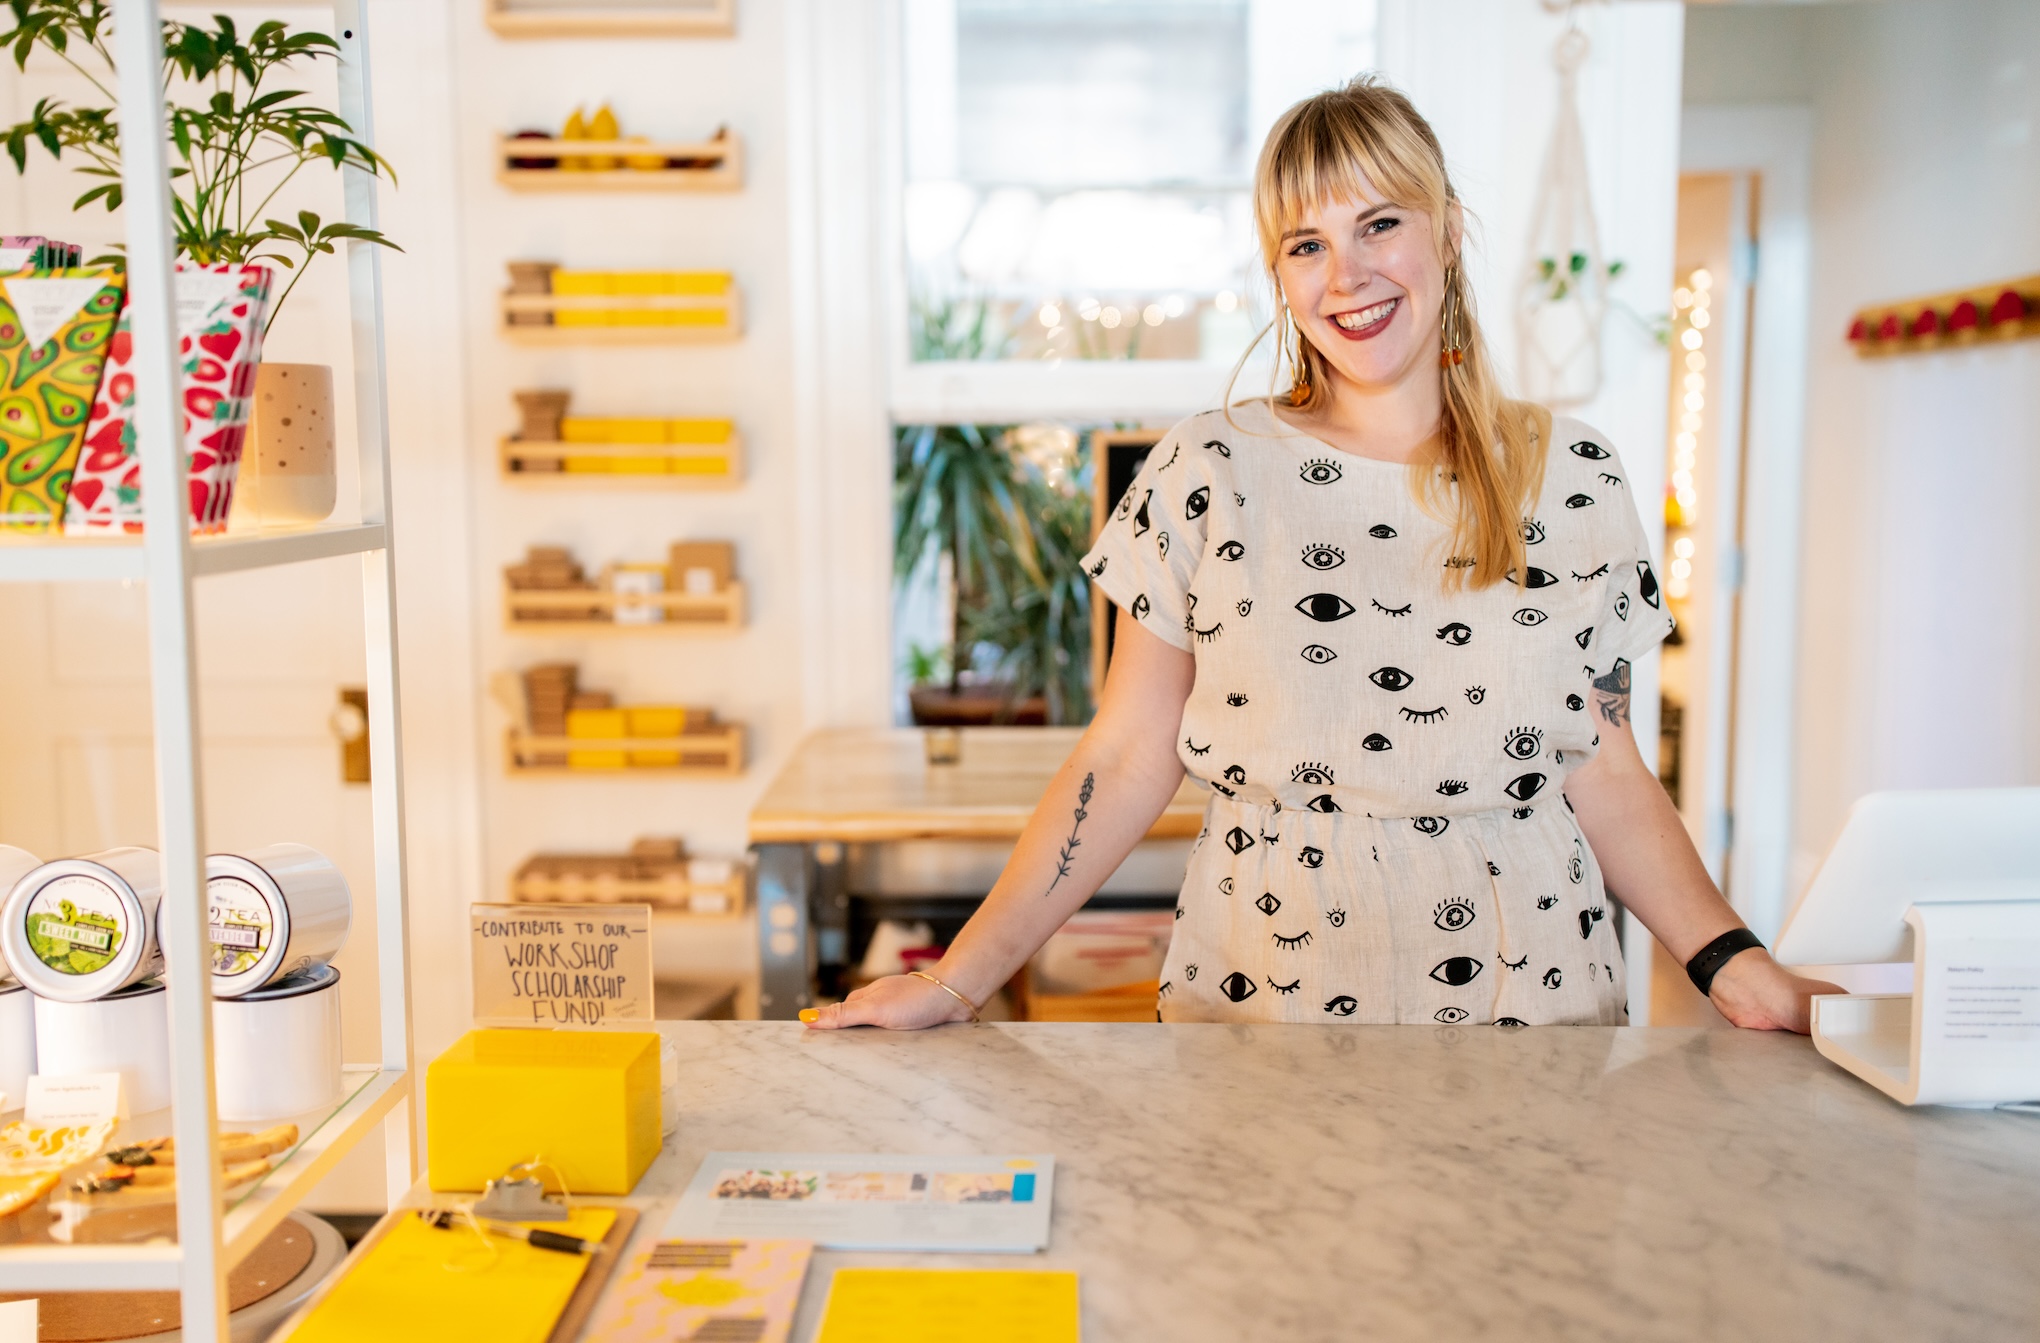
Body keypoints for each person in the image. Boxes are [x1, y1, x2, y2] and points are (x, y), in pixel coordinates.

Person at [810, 76, 1840, 1032]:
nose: (1346, 275)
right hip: (1263, 1002)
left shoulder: (1572, 474)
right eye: (1305, 244)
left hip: (1534, 1005)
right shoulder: (1207, 468)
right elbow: (1124, 756)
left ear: (1448, 231)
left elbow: (1607, 768)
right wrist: (956, 980)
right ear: (1280, 275)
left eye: (1379, 224)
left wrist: (1732, 962)